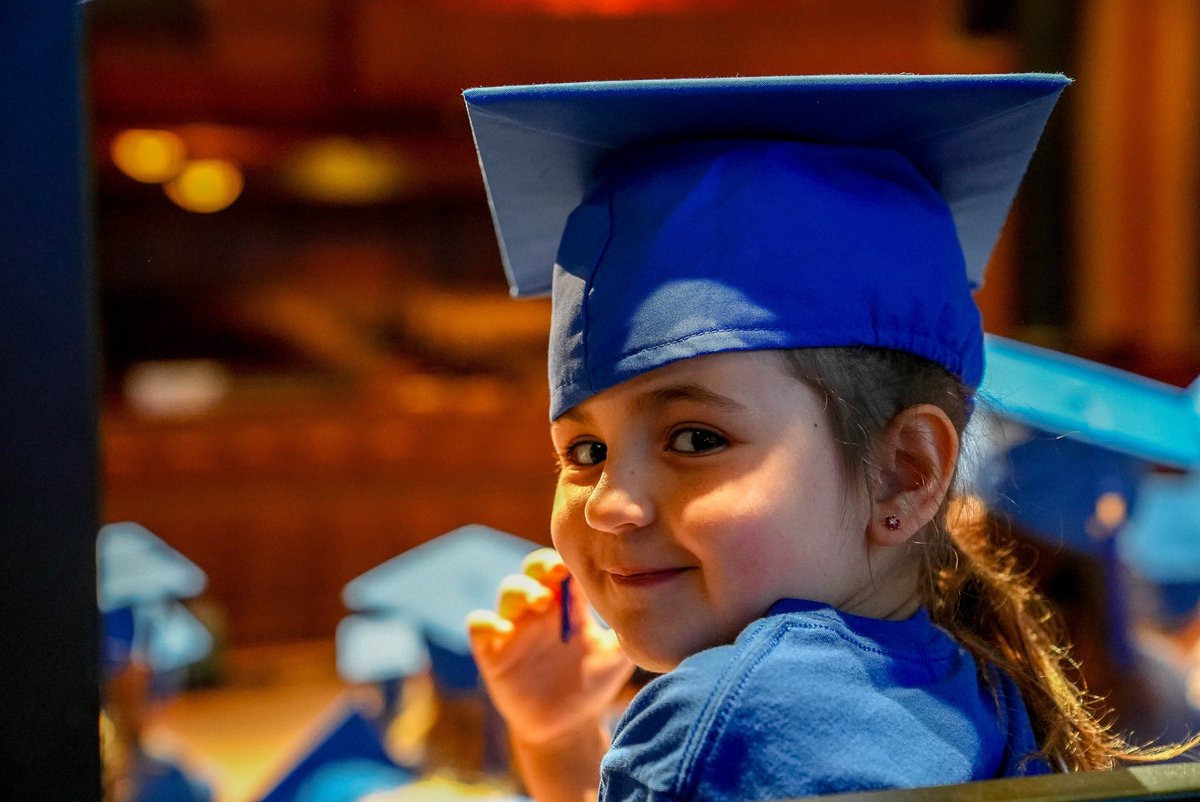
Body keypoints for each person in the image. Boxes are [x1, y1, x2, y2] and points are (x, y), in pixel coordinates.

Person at [458, 74, 1190, 802]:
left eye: (695, 437)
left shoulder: (732, 721)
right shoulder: (982, 689)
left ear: (903, 472)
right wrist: (559, 741)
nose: (608, 506)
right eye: (585, 452)